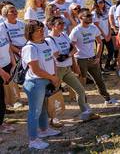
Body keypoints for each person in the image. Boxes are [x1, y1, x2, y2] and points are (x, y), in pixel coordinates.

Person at [47, 16, 99, 122]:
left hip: (67, 68)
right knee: (54, 94)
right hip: (57, 70)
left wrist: (70, 57)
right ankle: (53, 118)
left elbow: (74, 49)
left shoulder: (64, 35)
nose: (62, 25)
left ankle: (85, 112)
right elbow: (59, 58)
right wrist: (70, 54)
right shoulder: (49, 40)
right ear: (52, 26)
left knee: (80, 90)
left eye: (63, 23)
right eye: (59, 24)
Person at [21, 20, 61, 150]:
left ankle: (44, 130)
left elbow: (52, 60)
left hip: (47, 80)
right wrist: (52, 78)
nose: (41, 31)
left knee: (43, 107)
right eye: (37, 30)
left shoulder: (45, 42)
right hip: (35, 83)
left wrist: (55, 75)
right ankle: (33, 140)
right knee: (35, 111)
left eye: (42, 29)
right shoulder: (30, 48)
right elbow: (35, 70)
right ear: (30, 32)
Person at [69, 9, 119, 106]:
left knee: (99, 80)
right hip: (80, 60)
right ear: (80, 18)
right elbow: (71, 46)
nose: (90, 18)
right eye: (87, 16)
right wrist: (74, 62)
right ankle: (84, 104)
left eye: (90, 16)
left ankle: (107, 99)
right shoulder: (76, 31)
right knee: (81, 83)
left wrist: (98, 57)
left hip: (92, 58)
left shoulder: (93, 28)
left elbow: (100, 42)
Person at [0, 20, 16, 135]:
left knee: (3, 97)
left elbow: (8, 47)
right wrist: (2, 73)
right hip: (1, 70)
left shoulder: (1, 31)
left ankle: (1, 121)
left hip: (7, 66)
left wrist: (13, 63)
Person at [92, 0, 116, 71]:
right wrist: (104, 35)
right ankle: (99, 68)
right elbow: (96, 25)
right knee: (100, 53)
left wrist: (109, 34)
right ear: (96, 3)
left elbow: (108, 23)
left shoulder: (106, 11)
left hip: (107, 35)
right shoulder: (94, 13)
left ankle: (107, 65)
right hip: (100, 37)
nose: (102, 3)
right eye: (100, 2)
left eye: (103, 2)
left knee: (111, 50)